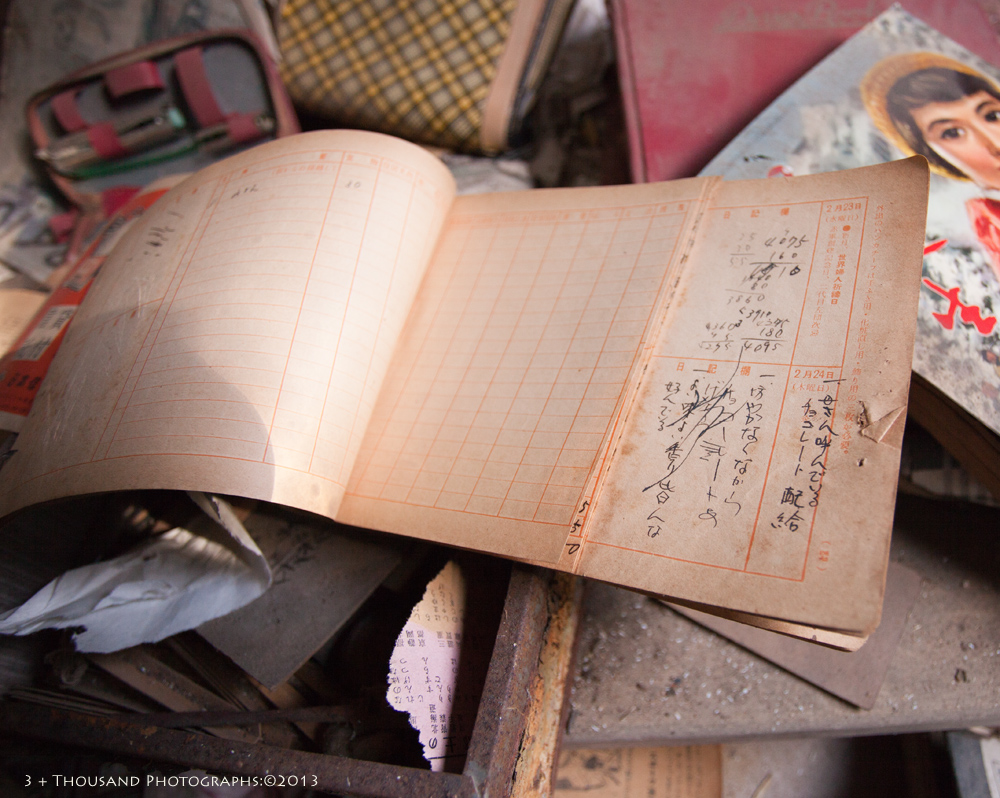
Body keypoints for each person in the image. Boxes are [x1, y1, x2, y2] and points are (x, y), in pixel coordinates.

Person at [861, 52, 1000, 282]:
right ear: (936, 158)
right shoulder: (991, 228)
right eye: (953, 133)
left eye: (992, 115)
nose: (994, 143)